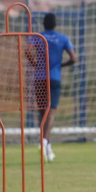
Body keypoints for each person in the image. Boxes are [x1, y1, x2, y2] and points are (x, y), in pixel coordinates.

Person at [26, 13, 77, 162]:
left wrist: (35, 64)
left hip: (39, 78)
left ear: (43, 24)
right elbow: (73, 58)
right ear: (56, 24)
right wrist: (61, 65)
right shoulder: (63, 38)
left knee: (42, 112)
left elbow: (27, 51)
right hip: (54, 78)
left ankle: (44, 143)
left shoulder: (37, 36)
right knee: (51, 112)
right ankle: (45, 142)